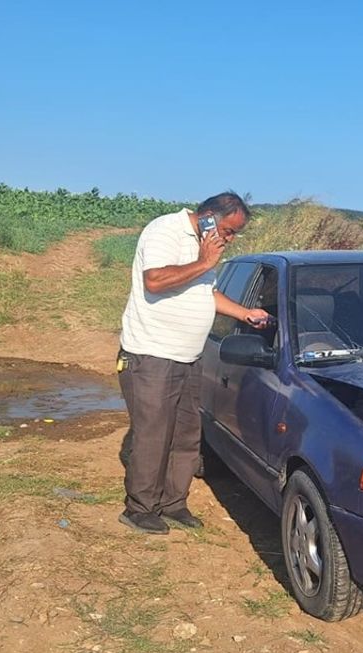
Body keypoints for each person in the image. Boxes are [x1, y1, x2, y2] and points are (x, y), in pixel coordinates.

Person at [116, 192, 271, 534]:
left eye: (235, 235)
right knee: (154, 433)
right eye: (228, 231)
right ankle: (140, 508)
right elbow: (154, 281)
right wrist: (204, 262)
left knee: (186, 433)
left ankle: (173, 503)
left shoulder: (205, 249)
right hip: (152, 353)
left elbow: (205, 293)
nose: (229, 240)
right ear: (208, 217)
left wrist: (245, 313)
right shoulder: (165, 231)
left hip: (189, 356)